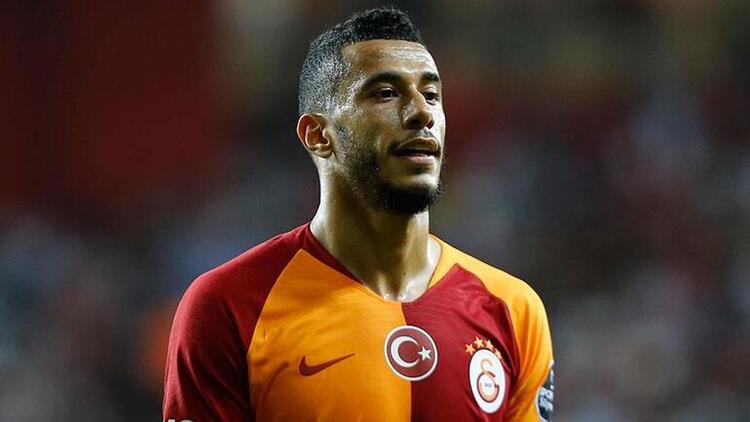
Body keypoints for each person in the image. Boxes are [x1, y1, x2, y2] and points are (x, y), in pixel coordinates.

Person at [163, 7, 554, 421]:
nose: (421, 113)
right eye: (385, 93)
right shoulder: (230, 305)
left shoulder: (513, 309)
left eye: (432, 95)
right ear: (318, 135)